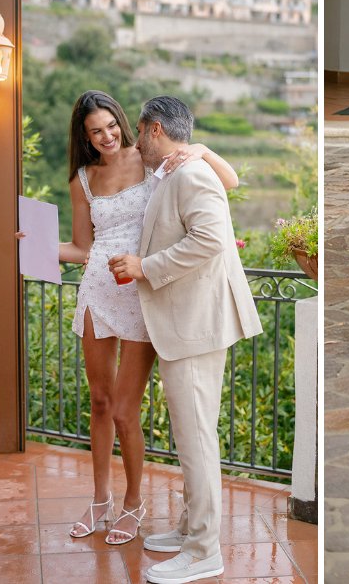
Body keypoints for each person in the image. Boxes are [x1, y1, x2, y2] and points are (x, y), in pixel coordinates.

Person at [56, 90, 240, 548]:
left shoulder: (150, 156)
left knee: (124, 411)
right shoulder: (81, 178)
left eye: (112, 126)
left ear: (125, 122)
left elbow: (229, 182)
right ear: (84, 136)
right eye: (95, 131)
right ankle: (101, 498)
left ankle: (134, 503)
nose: (107, 137)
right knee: (99, 402)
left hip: (141, 291)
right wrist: (29, 245)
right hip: (99, 288)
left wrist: (199, 148)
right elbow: (81, 249)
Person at [109, 95, 261, 584]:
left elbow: (210, 239)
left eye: (138, 129)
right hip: (187, 324)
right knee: (191, 438)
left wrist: (144, 268)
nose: (135, 139)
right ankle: (189, 528)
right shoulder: (178, 169)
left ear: (155, 129)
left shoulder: (191, 173)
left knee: (196, 441)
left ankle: (203, 551)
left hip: (196, 326)